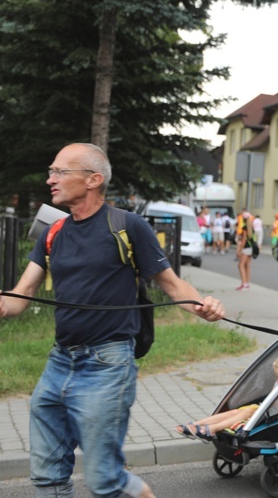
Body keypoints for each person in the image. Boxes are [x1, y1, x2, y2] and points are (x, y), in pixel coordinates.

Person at [0, 143, 225, 498]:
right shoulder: (53, 232)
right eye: (51, 171)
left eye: (59, 172)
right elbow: (20, 295)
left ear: (93, 179)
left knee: (106, 481)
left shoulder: (126, 226)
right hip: (59, 361)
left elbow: (172, 284)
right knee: (47, 476)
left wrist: (204, 306)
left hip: (107, 366)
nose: (50, 180)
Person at [176, 350, 278, 440]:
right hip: (264, 409)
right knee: (235, 412)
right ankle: (196, 425)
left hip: (275, 415)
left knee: (246, 413)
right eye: (277, 377)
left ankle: (212, 429)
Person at [235, 220, 254, 291]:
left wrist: (239, 250)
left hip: (246, 248)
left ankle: (243, 284)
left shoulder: (245, 228)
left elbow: (244, 240)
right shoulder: (252, 228)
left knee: (241, 265)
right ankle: (247, 283)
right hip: (251, 248)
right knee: (247, 266)